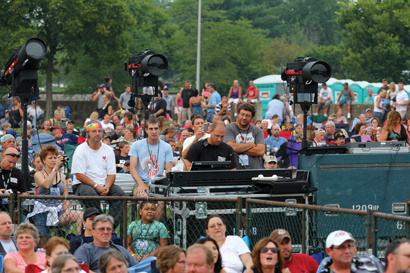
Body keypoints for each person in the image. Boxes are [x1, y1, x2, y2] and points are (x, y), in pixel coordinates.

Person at [71, 121, 126, 227]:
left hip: (104, 184)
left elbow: (111, 174)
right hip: (83, 185)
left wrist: (107, 187)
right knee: (90, 194)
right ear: (87, 134)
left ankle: (110, 227)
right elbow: (79, 175)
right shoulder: (80, 150)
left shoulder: (109, 150)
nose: (97, 133)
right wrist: (96, 186)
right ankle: (99, 226)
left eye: (100, 131)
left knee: (120, 195)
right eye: (94, 131)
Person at [27, 146, 83, 247]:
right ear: (44, 160)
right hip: (42, 211)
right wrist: (56, 168)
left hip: (58, 211)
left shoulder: (63, 176)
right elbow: (46, 185)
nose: (53, 160)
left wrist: (67, 211)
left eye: (55, 157)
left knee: (80, 215)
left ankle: (79, 243)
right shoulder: (38, 174)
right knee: (42, 246)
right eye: (50, 158)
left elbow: (65, 197)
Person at [129, 117, 173, 198]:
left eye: (156, 129)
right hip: (142, 182)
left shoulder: (167, 147)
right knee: (143, 199)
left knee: (160, 203)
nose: (154, 132)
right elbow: (132, 168)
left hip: (159, 182)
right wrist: (140, 184)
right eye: (151, 129)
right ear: (146, 130)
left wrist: (166, 185)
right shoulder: (137, 145)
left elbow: (168, 170)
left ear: (160, 129)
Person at [224, 103, 264, 169]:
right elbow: (231, 148)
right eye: (242, 115)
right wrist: (250, 145)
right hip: (235, 171)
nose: (244, 118)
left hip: (254, 170)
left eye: (248, 116)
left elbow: (260, 151)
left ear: (252, 118)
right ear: (238, 115)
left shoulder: (258, 131)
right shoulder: (229, 128)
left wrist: (238, 148)